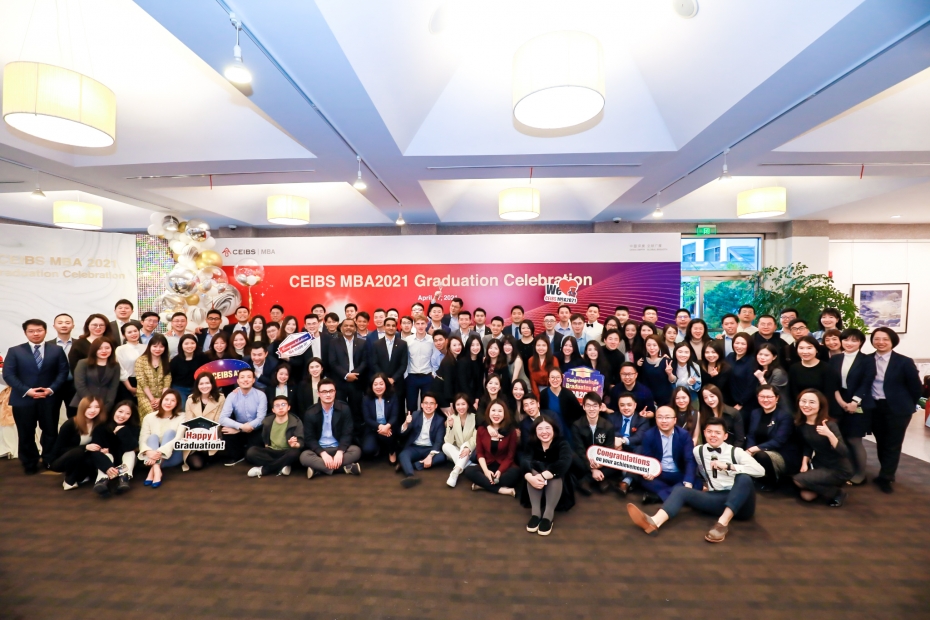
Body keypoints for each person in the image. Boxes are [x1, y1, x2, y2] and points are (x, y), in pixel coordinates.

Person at [626, 417, 765, 543]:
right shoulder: (699, 451)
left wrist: (729, 466)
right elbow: (698, 469)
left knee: (744, 478)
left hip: (742, 505)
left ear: (725, 436)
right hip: (717, 498)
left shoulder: (736, 452)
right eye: (709, 431)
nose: (713, 435)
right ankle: (654, 522)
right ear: (704, 433)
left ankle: (721, 524)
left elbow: (760, 471)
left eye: (717, 432)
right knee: (682, 490)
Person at [3, 318, 70, 474]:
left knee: (50, 431)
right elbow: (8, 375)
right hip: (23, 399)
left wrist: (51, 389)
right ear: (25, 333)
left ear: (45, 331)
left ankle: (49, 459)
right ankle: (29, 462)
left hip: (49, 398)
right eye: (31, 331)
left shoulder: (56, 350)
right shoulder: (15, 351)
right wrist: (27, 391)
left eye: (39, 330)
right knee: (25, 433)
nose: (35, 334)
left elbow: (63, 372)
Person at [865, 327, 921, 494]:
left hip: (898, 408)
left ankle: (886, 477)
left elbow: (916, 387)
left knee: (893, 443)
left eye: (885, 339)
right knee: (881, 441)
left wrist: (908, 404)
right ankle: (886, 471)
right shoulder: (867, 360)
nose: (880, 342)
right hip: (875, 406)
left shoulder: (904, 361)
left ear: (892, 341)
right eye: (877, 339)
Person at [829, 328, 875, 485]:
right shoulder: (835, 359)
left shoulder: (867, 360)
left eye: (854, 340)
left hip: (859, 402)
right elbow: (832, 383)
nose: (849, 343)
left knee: (854, 439)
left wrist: (854, 402)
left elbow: (866, 382)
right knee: (841, 439)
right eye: (846, 339)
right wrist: (841, 402)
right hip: (839, 401)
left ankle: (860, 474)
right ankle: (847, 470)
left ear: (861, 342)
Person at [792, 389, 852, 507]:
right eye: (803, 401)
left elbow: (844, 452)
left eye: (812, 402)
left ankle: (838, 493)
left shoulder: (829, 425)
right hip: (820, 465)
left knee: (798, 480)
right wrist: (804, 463)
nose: (806, 405)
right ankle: (828, 485)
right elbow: (807, 445)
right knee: (806, 496)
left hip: (839, 469)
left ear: (820, 406)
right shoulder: (801, 425)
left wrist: (829, 435)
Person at [48, 396, 119, 494]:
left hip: (83, 458)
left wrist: (106, 449)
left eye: (96, 407)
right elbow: (58, 450)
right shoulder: (70, 424)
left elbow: (109, 444)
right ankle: (71, 478)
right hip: (62, 460)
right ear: (82, 408)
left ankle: (78, 477)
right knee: (79, 452)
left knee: (94, 454)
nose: (93, 410)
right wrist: (84, 447)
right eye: (89, 407)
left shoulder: (99, 424)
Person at [520, 415, 574, 536]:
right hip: (535, 482)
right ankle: (535, 514)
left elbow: (565, 462)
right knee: (533, 471)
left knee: (555, 475)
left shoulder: (562, 443)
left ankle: (548, 516)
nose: (544, 432)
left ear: (554, 429)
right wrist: (529, 477)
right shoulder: (532, 443)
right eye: (540, 429)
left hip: (557, 483)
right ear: (535, 431)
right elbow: (525, 460)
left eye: (547, 428)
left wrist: (545, 475)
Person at [299, 378, 362, 478]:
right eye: (324, 392)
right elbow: (309, 438)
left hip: (338, 447)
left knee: (356, 451)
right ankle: (345, 468)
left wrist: (340, 451)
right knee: (304, 456)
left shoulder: (344, 408)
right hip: (319, 450)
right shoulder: (310, 412)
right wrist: (323, 453)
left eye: (331, 391)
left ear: (335, 392)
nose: (328, 394)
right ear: (318, 393)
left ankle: (318, 469)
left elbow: (347, 433)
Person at [638, 406, 698, 504]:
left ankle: (658, 497)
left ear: (675, 420)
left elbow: (689, 460)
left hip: (678, 473)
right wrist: (648, 471)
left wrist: (688, 482)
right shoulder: (649, 435)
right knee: (643, 479)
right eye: (660, 417)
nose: (664, 421)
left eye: (667, 417)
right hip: (659, 473)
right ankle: (679, 493)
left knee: (695, 482)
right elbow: (647, 457)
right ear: (655, 419)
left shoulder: (684, 435)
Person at [745, 385, 801, 489]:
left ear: (777, 398)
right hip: (759, 449)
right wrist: (749, 449)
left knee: (761, 456)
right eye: (762, 396)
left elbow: (779, 440)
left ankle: (771, 482)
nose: (765, 400)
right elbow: (751, 435)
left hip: (781, 453)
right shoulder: (755, 413)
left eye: (769, 397)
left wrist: (754, 449)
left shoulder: (785, 416)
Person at [464, 399, 521, 496]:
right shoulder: (481, 429)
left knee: (516, 473)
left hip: (504, 466)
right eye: (493, 410)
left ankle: (483, 485)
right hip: (488, 464)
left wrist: (500, 471)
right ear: (488, 412)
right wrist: (486, 471)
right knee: (469, 471)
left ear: (504, 414)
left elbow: (510, 456)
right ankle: (501, 489)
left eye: (500, 411)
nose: (496, 414)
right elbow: (480, 453)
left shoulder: (510, 431)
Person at [218, 368, 268, 466]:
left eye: (249, 377)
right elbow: (222, 418)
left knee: (252, 455)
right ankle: (237, 456)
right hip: (240, 426)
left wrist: (244, 428)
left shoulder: (261, 395)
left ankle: (247, 453)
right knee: (226, 429)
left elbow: (261, 418)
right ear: (238, 381)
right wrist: (240, 427)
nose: (245, 380)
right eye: (242, 377)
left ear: (253, 380)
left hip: (255, 429)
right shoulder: (232, 395)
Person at [570, 393, 617, 496]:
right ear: (583, 407)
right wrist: (592, 468)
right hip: (585, 460)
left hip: (602, 461)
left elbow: (609, 449)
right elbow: (580, 449)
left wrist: (600, 464)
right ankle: (600, 478)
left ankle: (586, 480)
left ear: (600, 407)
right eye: (588, 405)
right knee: (571, 456)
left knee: (617, 460)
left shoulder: (608, 426)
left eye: (595, 406)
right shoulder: (576, 425)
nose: (591, 409)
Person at [246, 396, 304, 478]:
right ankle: (282, 465)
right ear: (273, 410)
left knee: (295, 453)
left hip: (286, 451)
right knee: (251, 452)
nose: (280, 407)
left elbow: (301, 442)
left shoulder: (296, 421)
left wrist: (295, 444)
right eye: (277, 405)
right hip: (271, 451)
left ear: (289, 407)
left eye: (283, 404)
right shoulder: (267, 421)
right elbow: (265, 438)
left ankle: (264, 470)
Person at [137, 389, 185, 488]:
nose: (169, 403)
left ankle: (152, 471)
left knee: (170, 433)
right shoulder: (149, 417)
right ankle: (157, 470)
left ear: (177, 403)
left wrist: (157, 453)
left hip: (173, 456)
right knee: (152, 437)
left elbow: (178, 438)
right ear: (161, 400)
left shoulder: (182, 416)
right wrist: (148, 452)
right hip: (151, 456)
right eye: (166, 399)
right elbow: (143, 439)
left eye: (173, 400)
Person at [397, 393, 446, 488]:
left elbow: (439, 441)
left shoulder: (440, 420)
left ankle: (410, 465)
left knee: (442, 456)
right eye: (426, 403)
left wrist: (430, 456)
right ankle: (410, 475)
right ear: (422, 405)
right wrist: (406, 423)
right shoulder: (415, 415)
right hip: (414, 447)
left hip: (429, 448)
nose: (428, 406)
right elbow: (402, 434)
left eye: (431, 403)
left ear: (436, 406)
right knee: (403, 454)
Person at [606, 392, 651, 495]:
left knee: (640, 447)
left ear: (635, 405)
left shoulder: (642, 419)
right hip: (616, 448)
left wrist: (622, 440)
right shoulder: (612, 417)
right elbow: (609, 432)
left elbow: (639, 437)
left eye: (629, 405)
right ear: (618, 406)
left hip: (634, 449)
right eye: (622, 405)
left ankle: (626, 482)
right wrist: (617, 440)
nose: (626, 408)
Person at [183, 372, 225, 471]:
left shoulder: (220, 398)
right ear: (197, 385)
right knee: (196, 465)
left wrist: (206, 440)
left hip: (213, 436)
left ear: (212, 384)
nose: (204, 386)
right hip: (195, 438)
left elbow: (218, 421)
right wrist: (198, 441)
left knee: (211, 455)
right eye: (201, 384)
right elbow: (189, 422)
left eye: (207, 383)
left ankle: (209, 455)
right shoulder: (190, 400)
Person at [71, 337, 120, 415]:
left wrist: (108, 405)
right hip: (83, 403)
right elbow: (80, 385)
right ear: (94, 350)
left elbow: (113, 387)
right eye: (100, 348)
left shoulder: (115, 366)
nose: (104, 351)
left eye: (107, 348)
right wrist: (93, 403)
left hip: (105, 405)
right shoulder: (83, 363)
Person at [788, 336, 839, 407]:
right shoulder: (794, 368)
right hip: (802, 407)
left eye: (809, 348)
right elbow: (793, 392)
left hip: (824, 407)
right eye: (801, 348)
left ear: (817, 350)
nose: (805, 352)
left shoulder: (827, 368)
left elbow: (829, 393)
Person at [361, 373, 401, 462]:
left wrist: (387, 426)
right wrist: (380, 427)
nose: (378, 387)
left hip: (389, 428)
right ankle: (378, 448)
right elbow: (367, 418)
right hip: (373, 428)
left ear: (386, 385)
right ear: (371, 386)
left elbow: (394, 416)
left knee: (387, 436)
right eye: (375, 384)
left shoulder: (393, 396)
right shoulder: (366, 399)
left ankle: (392, 452)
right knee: (367, 449)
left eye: (381, 384)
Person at [406, 316, 441, 413]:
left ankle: (425, 422)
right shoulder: (408, 340)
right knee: (411, 405)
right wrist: (406, 375)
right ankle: (411, 422)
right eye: (418, 324)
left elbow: (435, 357)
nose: (420, 326)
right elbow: (406, 359)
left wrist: (433, 373)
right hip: (412, 376)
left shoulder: (432, 340)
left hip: (427, 376)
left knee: (427, 405)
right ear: (414, 325)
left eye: (422, 323)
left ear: (426, 324)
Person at [538, 367, 585, 440]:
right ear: (549, 379)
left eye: (557, 377)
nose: (555, 380)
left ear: (561, 378)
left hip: (568, 430)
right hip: (551, 431)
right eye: (552, 377)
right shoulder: (543, 394)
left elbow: (578, 413)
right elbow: (542, 413)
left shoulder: (568, 394)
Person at [442, 393, 477, 487]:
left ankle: (455, 472)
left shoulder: (475, 417)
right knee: (445, 446)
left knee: (465, 444)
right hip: (459, 451)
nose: (460, 407)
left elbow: (475, 437)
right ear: (454, 406)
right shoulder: (452, 418)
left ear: (468, 405)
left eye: (463, 404)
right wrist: (450, 426)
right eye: (458, 404)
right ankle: (467, 464)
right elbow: (448, 441)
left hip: (471, 450)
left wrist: (468, 447)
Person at [135, 334, 172, 419]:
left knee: (165, 414)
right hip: (145, 395)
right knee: (152, 414)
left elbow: (167, 381)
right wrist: (152, 400)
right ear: (149, 346)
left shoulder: (167, 361)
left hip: (162, 396)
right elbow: (142, 381)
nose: (158, 349)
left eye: (161, 347)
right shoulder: (141, 360)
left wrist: (162, 398)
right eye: (155, 346)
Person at [371, 317, 409, 399]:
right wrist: (384, 379)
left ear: (396, 328)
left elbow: (403, 365)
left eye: (393, 326)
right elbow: (374, 364)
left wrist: (393, 379)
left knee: (399, 405)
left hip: (398, 383)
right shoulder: (376, 344)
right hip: (381, 383)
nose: (391, 328)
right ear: (384, 327)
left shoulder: (403, 344)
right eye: (388, 325)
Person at [48, 313, 77, 420]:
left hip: (74, 386)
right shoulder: (47, 345)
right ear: (54, 326)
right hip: (53, 385)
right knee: (51, 416)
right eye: (60, 323)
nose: (64, 325)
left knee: (75, 417)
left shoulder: (80, 344)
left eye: (67, 322)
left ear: (73, 326)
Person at [109, 400, 140, 493]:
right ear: (114, 411)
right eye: (120, 411)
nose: (122, 416)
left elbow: (131, 447)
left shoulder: (134, 428)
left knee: (130, 452)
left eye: (127, 413)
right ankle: (103, 481)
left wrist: (123, 431)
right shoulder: (105, 426)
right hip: (109, 464)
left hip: (126, 463)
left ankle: (124, 478)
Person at [169, 334, 207, 406]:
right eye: (186, 344)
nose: (190, 346)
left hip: (197, 387)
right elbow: (171, 377)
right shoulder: (175, 360)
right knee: (182, 407)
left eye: (192, 343)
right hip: (180, 388)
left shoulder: (202, 357)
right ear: (181, 345)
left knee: (196, 407)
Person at [637, 335, 672, 407]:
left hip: (665, 400)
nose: (651, 348)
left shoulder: (666, 361)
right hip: (648, 399)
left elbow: (673, 380)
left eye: (654, 345)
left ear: (659, 346)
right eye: (649, 345)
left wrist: (670, 374)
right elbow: (641, 381)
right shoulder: (642, 361)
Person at [115, 323, 146, 404]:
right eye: (129, 332)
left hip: (145, 382)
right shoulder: (120, 349)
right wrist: (129, 388)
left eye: (135, 331)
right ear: (124, 335)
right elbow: (121, 369)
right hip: (128, 382)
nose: (133, 334)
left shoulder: (146, 347)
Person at [726, 333, 756, 413]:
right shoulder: (730, 356)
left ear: (749, 345)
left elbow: (751, 386)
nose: (739, 346)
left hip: (744, 403)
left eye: (743, 344)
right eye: (737, 343)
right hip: (729, 400)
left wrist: (741, 403)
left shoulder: (752, 361)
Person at [700, 340, 732, 406]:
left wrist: (714, 377)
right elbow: (700, 386)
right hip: (703, 401)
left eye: (714, 352)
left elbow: (719, 388)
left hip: (721, 401)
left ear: (719, 353)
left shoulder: (725, 368)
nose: (710, 355)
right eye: (707, 352)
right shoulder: (699, 365)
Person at [457, 335, 485, 404]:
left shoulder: (480, 361)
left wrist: (477, 398)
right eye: (472, 345)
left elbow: (480, 382)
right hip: (464, 397)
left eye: (477, 345)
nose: (475, 347)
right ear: (468, 346)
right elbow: (463, 384)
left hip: (477, 397)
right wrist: (472, 401)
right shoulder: (462, 362)